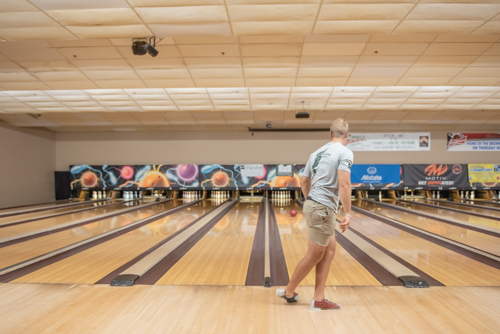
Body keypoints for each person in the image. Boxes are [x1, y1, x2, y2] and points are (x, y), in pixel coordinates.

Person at [276, 118, 353, 310]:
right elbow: (344, 184)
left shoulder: (316, 153)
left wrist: (311, 200)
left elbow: (303, 182)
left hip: (317, 205)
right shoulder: (345, 152)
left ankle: (319, 298)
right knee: (314, 255)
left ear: (330, 134)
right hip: (322, 208)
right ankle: (289, 291)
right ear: (347, 136)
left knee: (329, 250)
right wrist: (348, 213)